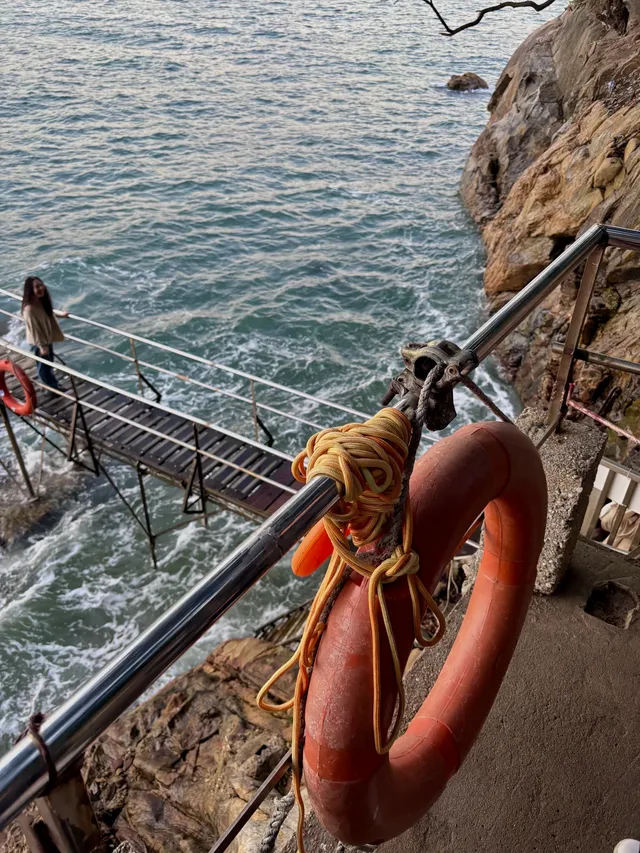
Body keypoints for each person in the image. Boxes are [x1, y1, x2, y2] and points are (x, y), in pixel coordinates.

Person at [21, 276, 68, 391]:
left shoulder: (41, 301)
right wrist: (42, 346)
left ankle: (52, 384)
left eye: (41, 285)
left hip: (46, 338)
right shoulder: (29, 309)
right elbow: (34, 329)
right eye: (36, 287)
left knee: (49, 362)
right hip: (38, 342)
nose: (40, 288)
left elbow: (48, 313)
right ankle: (49, 388)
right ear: (30, 290)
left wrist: (61, 315)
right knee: (43, 366)